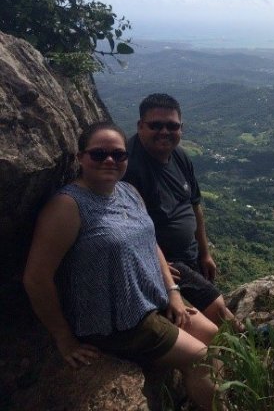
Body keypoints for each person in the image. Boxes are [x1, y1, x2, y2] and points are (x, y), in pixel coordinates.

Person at [23, 122, 219, 411]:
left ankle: (193, 394)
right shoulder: (68, 206)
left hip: (150, 301)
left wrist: (173, 292)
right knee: (200, 356)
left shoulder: (128, 192)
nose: (110, 160)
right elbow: (36, 278)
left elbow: (151, 242)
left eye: (119, 154)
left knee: (212, 333)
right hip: (116, 323)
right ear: (81, 158)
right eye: (99, 154)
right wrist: (64, 339)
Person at [123, 93, 243, 332]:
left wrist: (205, 252)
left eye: (172, 126)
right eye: (155, 125)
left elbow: (194, 205)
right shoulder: (129, 167)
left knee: (212, 308)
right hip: (166, 263)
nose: (164, 132)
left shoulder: (179, 156)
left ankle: (241, 340)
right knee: (217, 307)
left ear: (181, 128)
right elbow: (126, 229)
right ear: (140, 126)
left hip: (190, 254)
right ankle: (249, 341)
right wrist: (158, 267)